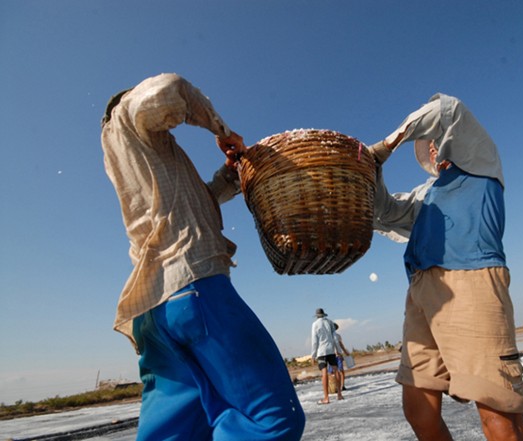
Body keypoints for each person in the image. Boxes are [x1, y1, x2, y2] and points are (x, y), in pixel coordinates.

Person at [100, 73, 305, 441]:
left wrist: (231, 173)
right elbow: (166, 90)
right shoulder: (128, 116)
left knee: (175, 434)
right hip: (195, 292)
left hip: (154, 312)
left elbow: (201, 201)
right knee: (270, 423)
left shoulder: (150, 165)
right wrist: (221, 128)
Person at [368, 93, 523, 441]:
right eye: (428, 143)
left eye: (436, 139)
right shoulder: (426, 193)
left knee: (497, 414)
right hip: (421, 294)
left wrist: (384, 147)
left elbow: (448, 110)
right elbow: (385, 212)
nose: (433, 147)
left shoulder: (480, 162)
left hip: (470, 282)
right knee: (418, 411)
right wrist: (371, 171)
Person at [310, 308, 343, 404]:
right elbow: (335, 338)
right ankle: (339, 394)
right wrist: (339, 350)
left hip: (321, 352)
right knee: (336, 370)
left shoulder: (315, 324)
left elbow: (314, 341)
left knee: (324, 373)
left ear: (316, 316)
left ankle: (326, 398)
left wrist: (313, 355)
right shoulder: (330, 322)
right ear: (324, 314)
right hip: (331, 350)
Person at [330, 322, 351, 391]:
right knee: (332, 372)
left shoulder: (338, 336)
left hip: (338, 355)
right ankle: (335, 386)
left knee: (340, 370)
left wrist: (345, 352)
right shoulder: (328, 336)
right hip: (331, 355)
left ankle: (342, 385)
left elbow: (341, 345)